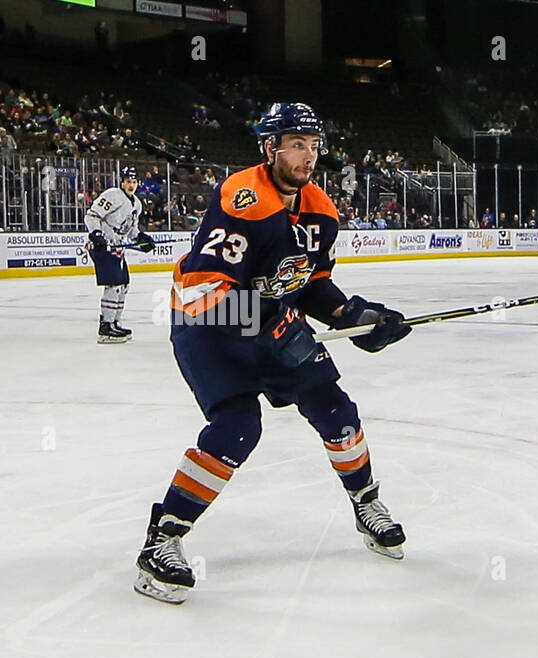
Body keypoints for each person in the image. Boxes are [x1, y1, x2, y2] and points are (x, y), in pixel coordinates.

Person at [133, 102, 412, 604]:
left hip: (271, 323)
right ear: (271, 148)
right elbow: (202, 288)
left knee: (335, 409)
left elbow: (311, 286)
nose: (308, 156)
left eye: (313, 146)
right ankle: (162, 540)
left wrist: (357, 318)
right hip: (206, 326)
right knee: (237, 427)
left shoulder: (321, 211)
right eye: (297, 145)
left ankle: (367, 504)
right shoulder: (243, 198)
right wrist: (268, 325)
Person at [84, 165, 154, 344]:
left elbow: (131, 230)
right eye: (128, 181)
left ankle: (114, 322)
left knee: (124, 286)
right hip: (103, 247)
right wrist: (97, 234)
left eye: (134, 182)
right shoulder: (113, 195)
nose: (131, 185)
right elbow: (92, 215)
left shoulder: (136, 203)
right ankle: (106, 326)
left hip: (117, 248)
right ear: (122, 182)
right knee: (114, 284)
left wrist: (141, 238)